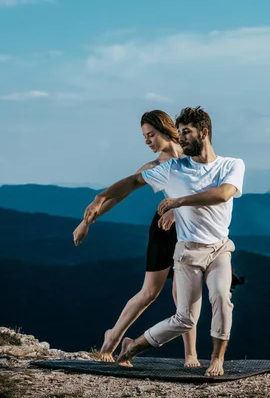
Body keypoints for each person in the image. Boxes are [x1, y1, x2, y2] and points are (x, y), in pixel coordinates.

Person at [83, 106, 245, 377]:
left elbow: (223, 193)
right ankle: (128, 344)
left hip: (218, 248)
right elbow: (132, 183)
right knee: (179, 312)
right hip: (184, 247)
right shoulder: (171, 168)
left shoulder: (231, 164)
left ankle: (213, 358)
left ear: (203, 133)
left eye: (186, 132)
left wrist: (178, 203)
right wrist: (100, 198)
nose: (181, 138)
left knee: (220, 298)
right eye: (179, 132)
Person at [73, 110, 200, 368]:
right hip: (165, 231)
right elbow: (121, 193)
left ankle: (191, 355)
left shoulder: (194, 154)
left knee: (183, 295)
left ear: (166, 130)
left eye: (151, 135)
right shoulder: (154, 166)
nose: (147, 142)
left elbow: (208, 189)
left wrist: (179, 208)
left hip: (192, 228)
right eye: (145, 137)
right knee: (150, 292)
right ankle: (113, 337)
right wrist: (85, 221)